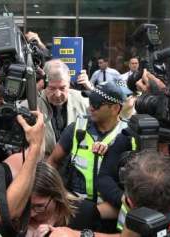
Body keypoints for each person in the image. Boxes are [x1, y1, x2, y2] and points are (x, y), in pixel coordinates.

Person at [47, 81, 131, 227]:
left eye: (97, 104)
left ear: (115, 108)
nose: (90, 107)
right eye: (90, 101)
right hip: (76, 210)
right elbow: (52, 162)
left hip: (112, 212)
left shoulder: (128, 134)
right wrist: (56, 194)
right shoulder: (77, 128)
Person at [35, 59, 89, 156]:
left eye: (62, 88)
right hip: (42, 167)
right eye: (52, 88)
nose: (57, 94)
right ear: (43, 84)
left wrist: (91, 89)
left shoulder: (84, 101)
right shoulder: (31, 104)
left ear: (69, 83)